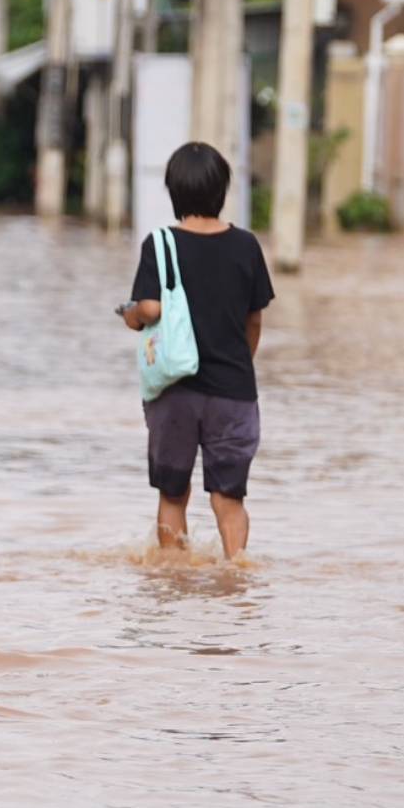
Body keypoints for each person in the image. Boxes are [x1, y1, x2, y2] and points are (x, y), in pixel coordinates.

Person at [121, 141, 273, 560]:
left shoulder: (161, 244)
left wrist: (130, 314)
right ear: (222, 190)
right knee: (229, 498)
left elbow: (149, 310)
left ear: (174, 192)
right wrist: (238, 365)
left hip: (175, 392)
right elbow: (254, 319)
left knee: (173, 493)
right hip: (234, 391)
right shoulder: (247, 246)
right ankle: (237, 571)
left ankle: (172, 579)